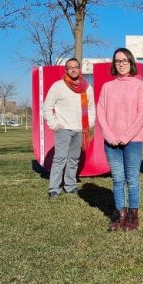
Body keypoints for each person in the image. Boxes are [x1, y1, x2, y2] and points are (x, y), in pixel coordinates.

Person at [97, 48, 143, 232]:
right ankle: (120, 214)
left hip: (133, 142)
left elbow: (142, 115)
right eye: (117, 61)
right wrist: (110, 136)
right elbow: (100, 113)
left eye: (124, 60)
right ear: (114, 64)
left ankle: (133, 216)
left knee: (132, 180)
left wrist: (126, 136)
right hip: (111, 142)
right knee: (117, 179)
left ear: (131, 63)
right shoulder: (107, 87)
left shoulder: (140, 86)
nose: (121, 64)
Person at [43, 58, 95, 199]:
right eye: (70, 67)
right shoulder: (58, 86)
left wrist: (88, 125)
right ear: (66, 70)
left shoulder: (87, 87)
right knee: (60, 158)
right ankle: (54, 188)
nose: (73, 69)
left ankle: (70, 186)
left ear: (80, 69)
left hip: (80, 129)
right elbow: (47, 107)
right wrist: (54, 124)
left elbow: (91, 108)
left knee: (73, 159)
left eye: (75, 67)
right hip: (64, 129)